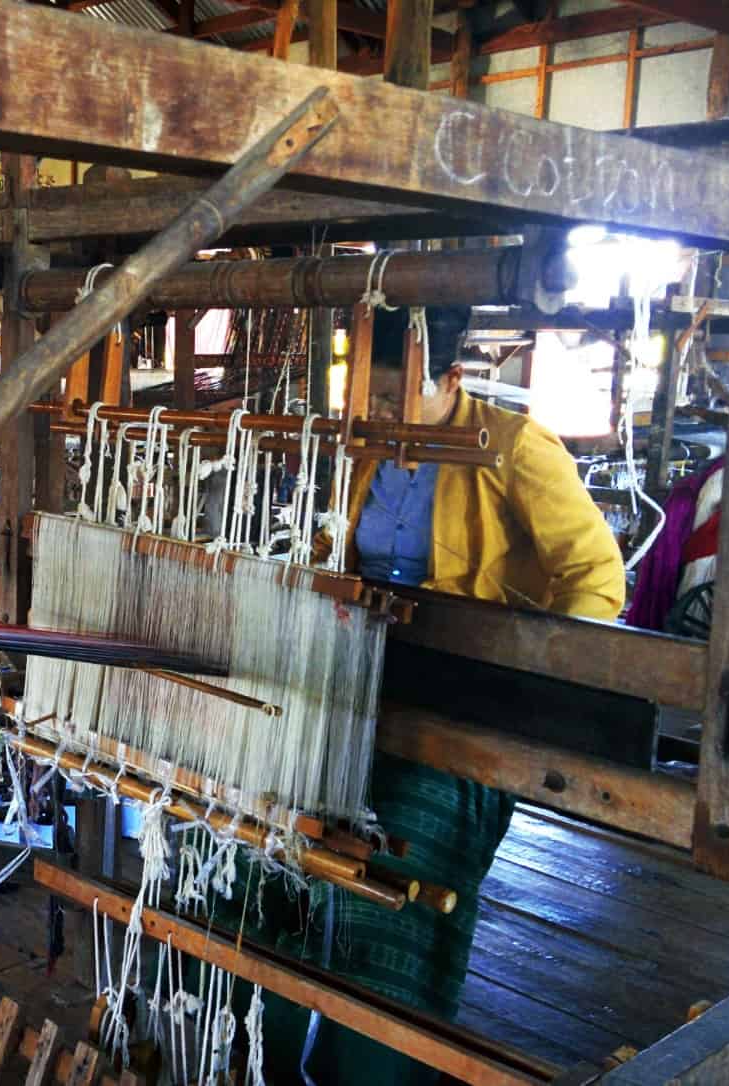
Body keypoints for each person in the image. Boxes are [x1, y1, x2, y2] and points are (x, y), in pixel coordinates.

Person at [220, 305, 625, 1084]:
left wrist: (523, 672)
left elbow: (597, 577)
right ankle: (245, 1050)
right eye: (366, 398)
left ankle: (378, 1068)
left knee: (396, 873)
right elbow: (333, 545)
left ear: (450, 378)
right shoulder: (373, 448)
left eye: (390, 398)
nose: (372, 414)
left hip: (465, 716)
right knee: (261, 837)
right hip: (357, 692)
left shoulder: (509, 448)